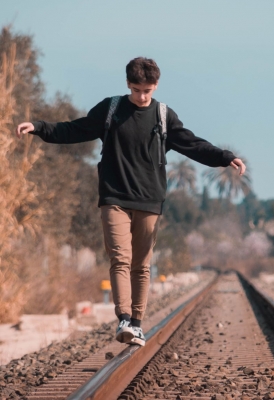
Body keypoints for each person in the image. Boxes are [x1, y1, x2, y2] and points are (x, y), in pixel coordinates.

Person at [16, 57, 246, 346]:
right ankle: (124, 319)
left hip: (149, 200)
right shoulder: (111, 109)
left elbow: (193, 144)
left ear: (156, 86)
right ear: (128, 84)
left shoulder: (163, 116)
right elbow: (75, 130)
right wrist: (39, 127)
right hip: (114, 197)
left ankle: (136, 323)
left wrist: (225, 157)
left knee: (142, 265)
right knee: (120, 259)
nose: (142, 96)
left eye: (148, 91)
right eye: (137, 90)